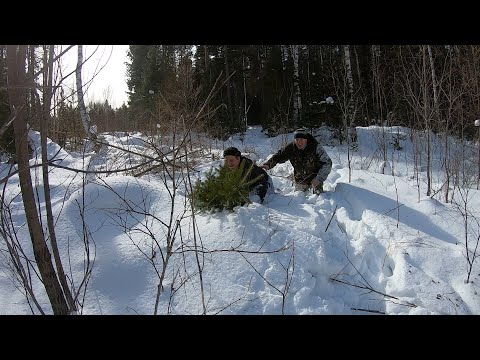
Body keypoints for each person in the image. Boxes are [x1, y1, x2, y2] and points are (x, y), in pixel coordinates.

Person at [261, 128, 332, 194]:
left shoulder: (315, 147)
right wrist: (267, 164)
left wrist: (319, 178)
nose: (299, 142)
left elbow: (328, 163)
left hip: (315, 178)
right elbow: (278, 156)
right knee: (298, 200)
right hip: (300, 179)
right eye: (297, 139)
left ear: (306, 140)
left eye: (301, 140)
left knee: (319, 199)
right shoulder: (291, 148)